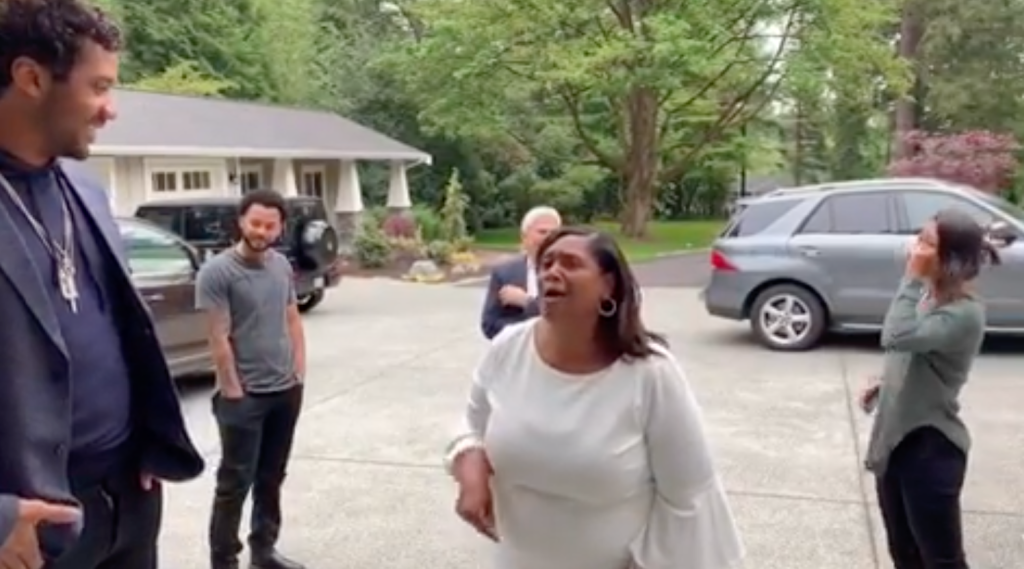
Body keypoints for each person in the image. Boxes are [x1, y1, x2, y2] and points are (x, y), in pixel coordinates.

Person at [0, 1, 205, 568]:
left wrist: (148, 437)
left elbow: (121, 327)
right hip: (31, 530)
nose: (110, 110)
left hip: (130, 495)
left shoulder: (86, 189)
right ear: (31, 78)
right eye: (99, 87)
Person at [447, 226, 744, 569]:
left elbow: (690, 494)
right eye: (546, 263)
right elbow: (471, 425)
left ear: (608, 285)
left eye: (571, 263)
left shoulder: (650, 373)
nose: (552, 272)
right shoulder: (508, 347)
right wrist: (468, 463)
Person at [860, 208, 999, 569]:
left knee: (941, 561)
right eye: (918, 238)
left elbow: (896, 335)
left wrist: (911, 278)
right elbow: (915, 354)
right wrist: (885, 385)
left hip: (930, 449)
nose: (915, 248)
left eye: (926, 242)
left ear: (950, 258)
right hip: (896, 442)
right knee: (904, 553)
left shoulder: (964, 313)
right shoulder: (930, 297)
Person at [197, 189, 308, 569]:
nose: (261, 231)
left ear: (280, 228)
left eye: (269, 225)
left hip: (285, 391)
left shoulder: (280, 266)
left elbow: (292, 318)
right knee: (234, 485)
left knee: (272, 477)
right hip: (243, 398)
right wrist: (232, 390)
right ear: (241, 222)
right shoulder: (217, 272)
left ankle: (264, 551)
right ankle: (224, 560)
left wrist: (299, 372)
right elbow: (218, 336)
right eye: (255, 223)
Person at [480, 206, 561, 339]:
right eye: (542, 232)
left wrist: (527, 302)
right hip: (516, 349)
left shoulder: (569, 273)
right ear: (524, 237)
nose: (548, 238)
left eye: (554, 233)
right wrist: (527, 334)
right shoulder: (504, 272)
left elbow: (566, 318)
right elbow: (489, 325)